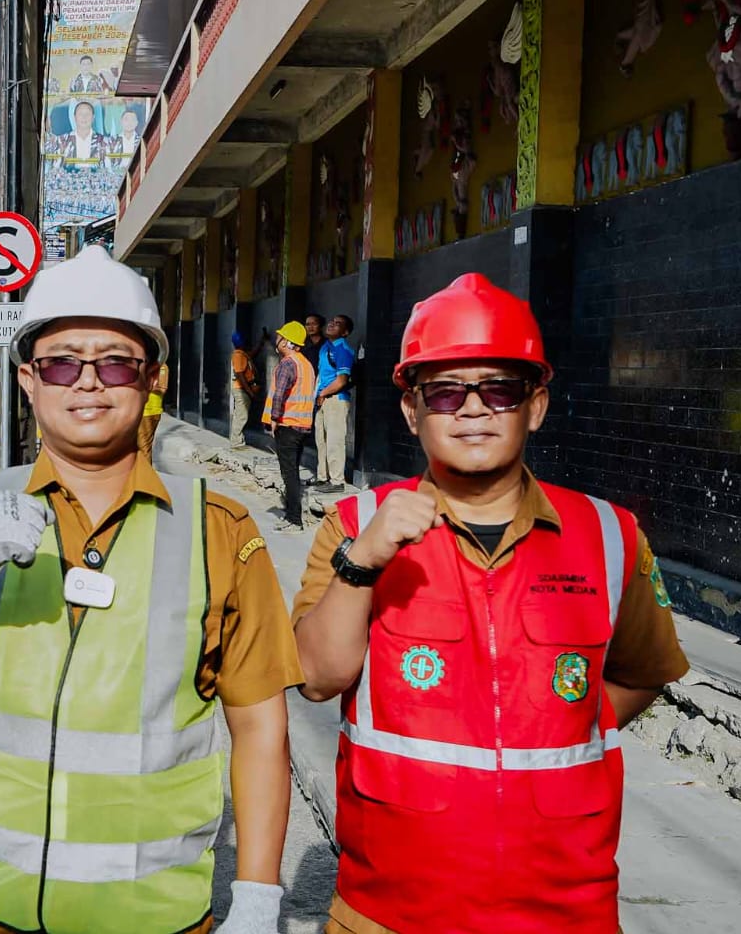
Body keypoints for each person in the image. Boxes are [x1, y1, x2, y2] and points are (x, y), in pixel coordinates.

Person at [0, 245, 301, 934]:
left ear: (150, 380)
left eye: (115, 361)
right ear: (27, 379)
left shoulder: (220, 531)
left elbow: (261, 724)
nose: (88, 382)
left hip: (153, 919)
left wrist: (258, 900)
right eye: (61, 362)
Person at [291, 274, 689, 934]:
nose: (472, 409)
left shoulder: (610, 535)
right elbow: (316, 677)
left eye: (498, 389)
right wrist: (364, 560)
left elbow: (643, 673)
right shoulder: (354, 524)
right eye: (445, 391)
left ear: (535, 405)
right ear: (412, 411)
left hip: (565, 912)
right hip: (390, 911)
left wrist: (551, 733)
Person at [262, 322, 316, 532]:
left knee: (289, 473)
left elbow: (280, 393)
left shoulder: (287, 364)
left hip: (287, 426)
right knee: (293, 470)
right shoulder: (306, 364)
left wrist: (274, 419)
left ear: (287, 342)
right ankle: (294, 515)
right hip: (303, 426)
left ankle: (294, 519)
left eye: (280, 337)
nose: (277, 340)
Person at [313, 314, 354, 493]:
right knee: (321, 440)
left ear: (345, 333)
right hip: (323, 400)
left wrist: (323, 393)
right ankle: (323, 477)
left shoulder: (343, 350)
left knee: (334, 441)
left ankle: (337, 481)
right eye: (332, 321)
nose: (332, 324)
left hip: (335, 400)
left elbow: (342, 380)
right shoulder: (325, 348)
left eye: (338, 324)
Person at [230, 329, 258, 448]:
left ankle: (238, 440)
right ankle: (236, 442)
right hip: (241, 389)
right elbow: (240, 375)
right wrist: (250, 392)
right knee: (241, 415)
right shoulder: (238, 355)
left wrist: (262, 341)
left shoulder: (242, 354)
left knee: (241, 415)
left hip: (242, 389)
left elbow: (253, 354)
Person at [137, 359, 169, 459]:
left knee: (144, 447)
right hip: (139, 411)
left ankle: (145, 473)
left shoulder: (162, 367)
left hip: (150, 412)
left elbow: (163, 388)